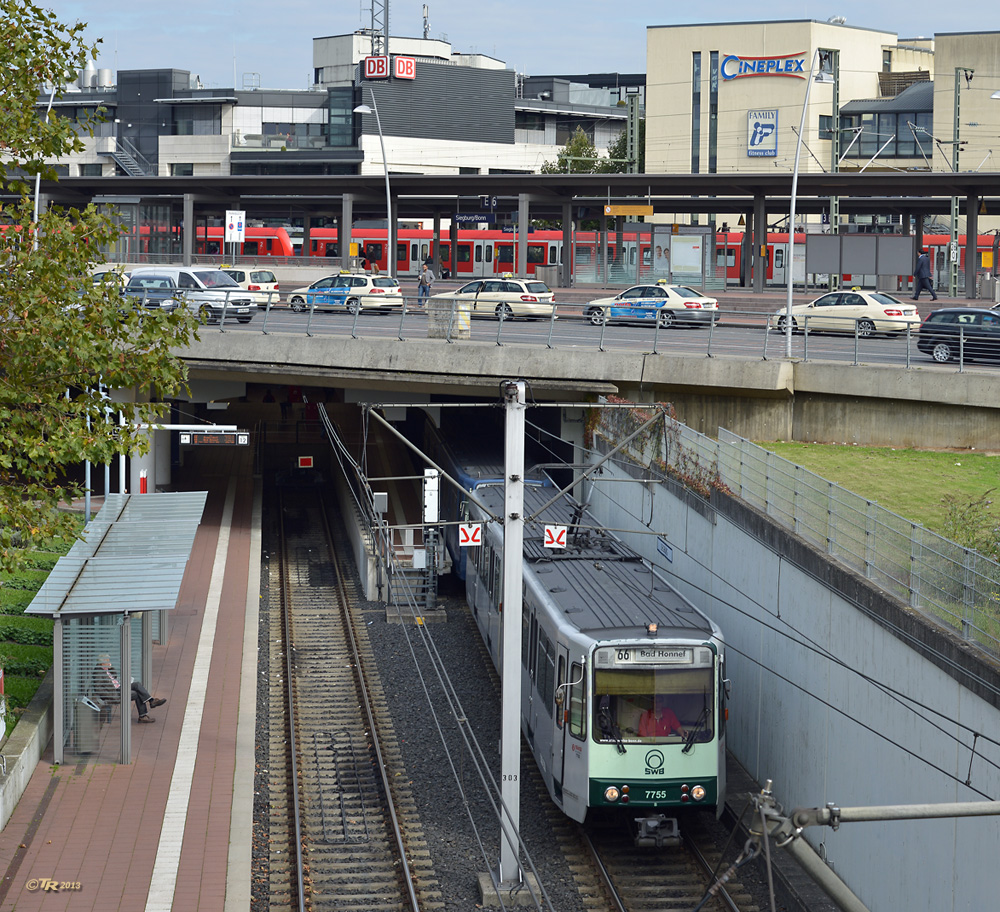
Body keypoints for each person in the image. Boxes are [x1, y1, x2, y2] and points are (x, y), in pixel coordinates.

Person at [93, 654, 166, 723]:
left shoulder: (105, 669)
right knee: (136, 694)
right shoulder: (98, 673)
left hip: (118, 688)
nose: (109, 662)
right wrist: (111, 695)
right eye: (107, 660)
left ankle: (151, 702)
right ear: (102, 663)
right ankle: (144, 713)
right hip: (115, 692)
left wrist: (111, 668)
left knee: (137, 685)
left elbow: (114, 677)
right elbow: (98, 689)